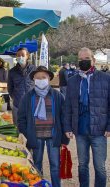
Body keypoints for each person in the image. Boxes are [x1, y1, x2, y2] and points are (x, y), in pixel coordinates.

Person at [64, 47, 110, 187]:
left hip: (100, 130)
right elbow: (68, 107)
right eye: (81, 59)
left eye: (86, 59)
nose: (83, 61)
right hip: (80, 130)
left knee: (100, 167)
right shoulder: (72, 81)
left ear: (93, 60)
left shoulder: (106, 79)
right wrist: (67, 127)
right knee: (82, 164)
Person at [18, 66, 69, 187]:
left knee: (55, 165)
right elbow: (21, 118)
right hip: (35, 136)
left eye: (44, 77)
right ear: (34, 79)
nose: (41, 80)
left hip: (53, 135)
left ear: (49, 78)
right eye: (38, 77)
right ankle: (38, 184)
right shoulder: (28, 97)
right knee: (37, 164)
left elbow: (64, 117)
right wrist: (27, 135)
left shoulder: (57, 96)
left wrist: (64, 138)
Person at [8, 48, 36, 125]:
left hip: (32, 104)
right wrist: (15, 97)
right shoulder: (12, 71)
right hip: (17, 105)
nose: (20, 57)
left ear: (27, 56)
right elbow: (10, 88)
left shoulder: (34, 69)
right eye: (18, 55)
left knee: (32, 127)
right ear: (16, 57)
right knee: (18, 128)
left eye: (22, 55)